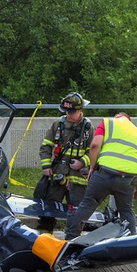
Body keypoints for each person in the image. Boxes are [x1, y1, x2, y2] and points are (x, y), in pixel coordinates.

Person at [64, 113, 137, 240]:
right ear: (129, 120)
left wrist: (91, 167)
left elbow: (95, 145)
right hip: (127, 179)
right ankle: (130, 241)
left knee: (86, 205)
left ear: (118, 116)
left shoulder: (108, 123)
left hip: (104, 175)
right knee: (126, 210)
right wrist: (135, 173)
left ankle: (70, 238)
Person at [34, 92, 94, 232]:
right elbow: (46, 147)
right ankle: (44, 237)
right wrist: (46, 166)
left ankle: (73, 240)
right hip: (57, 175)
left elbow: (93, 151)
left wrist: (82, 162)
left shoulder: (88, 128)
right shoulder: (58, 125)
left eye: (72, 112)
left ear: (80, 111)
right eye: (66, 111)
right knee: (48, 208)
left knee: (78, 211)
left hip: (78, 177)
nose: (68, 114)